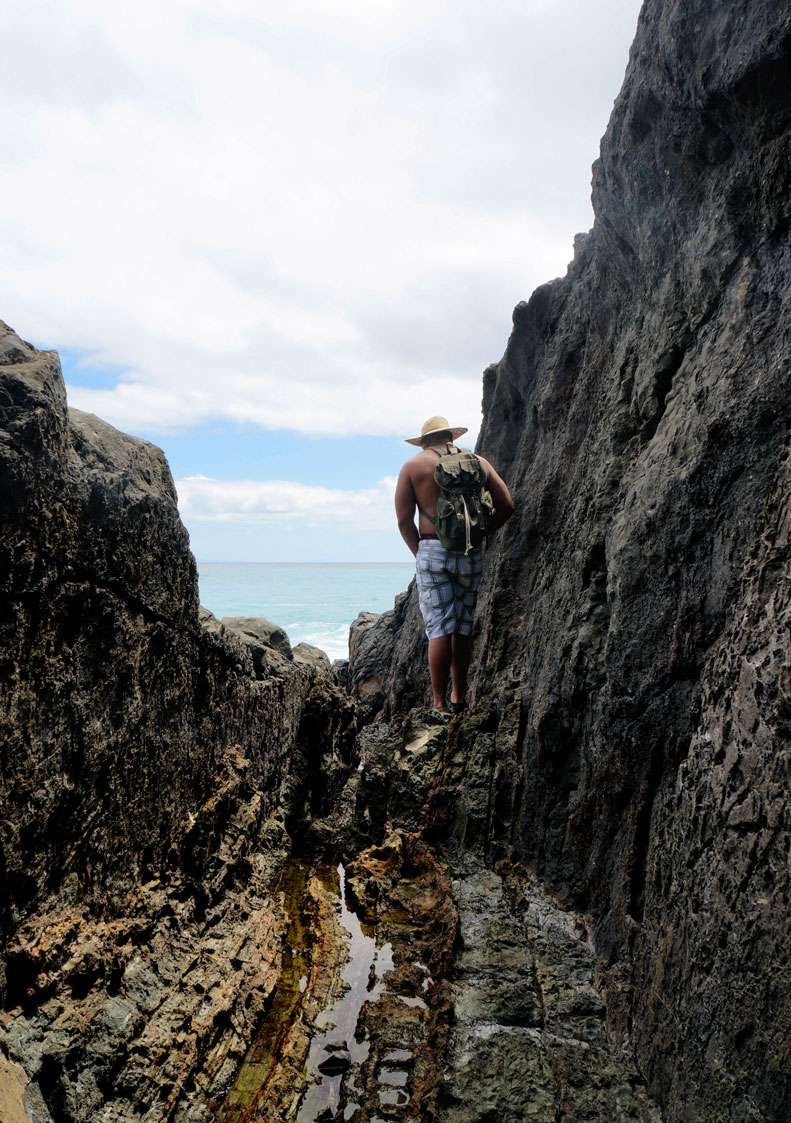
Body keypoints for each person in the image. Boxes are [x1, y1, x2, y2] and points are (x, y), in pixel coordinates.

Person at [394, 415, 514, 711]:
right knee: (462, 624)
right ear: (451, 437)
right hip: (470, 549)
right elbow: (507, 506)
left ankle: (437, 702)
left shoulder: (413, 466)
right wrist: (480, 536)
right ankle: (459, 696)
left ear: (424, 441)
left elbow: (403, 520)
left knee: (438, 627)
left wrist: (419, 552)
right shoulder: (478, 462)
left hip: (432, 548)